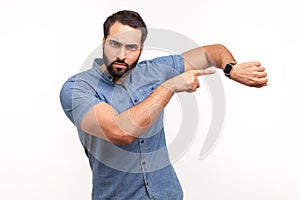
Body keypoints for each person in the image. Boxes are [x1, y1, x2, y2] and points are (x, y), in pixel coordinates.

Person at [60, 10, 268, 200]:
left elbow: (212, 52)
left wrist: (231, 68)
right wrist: (168, 87)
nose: (122, 55)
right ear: (104, 41)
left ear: (141, 49)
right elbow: (121, 132)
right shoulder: (78, 88)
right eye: (115, 44)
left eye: (131, 47)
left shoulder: (153, 70)